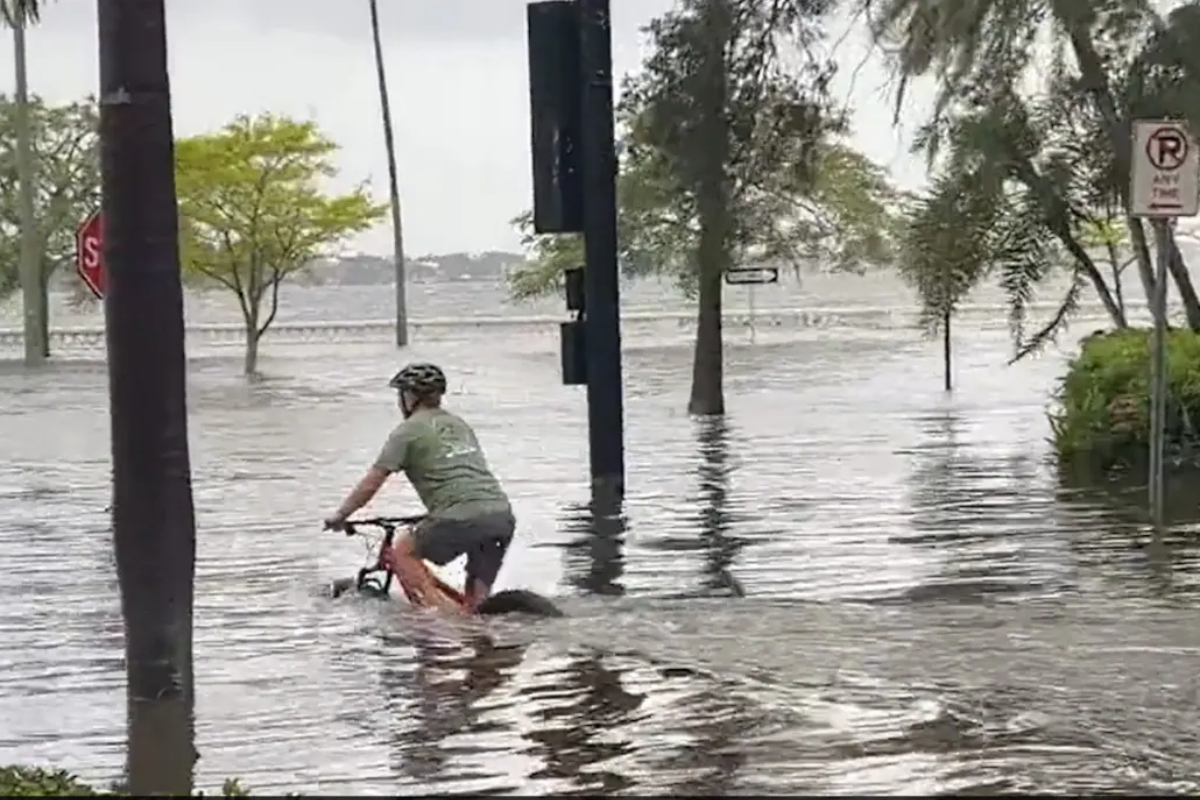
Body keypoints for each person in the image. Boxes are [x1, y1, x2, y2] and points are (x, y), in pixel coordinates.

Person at [324, 362, 515, 611]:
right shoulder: (459, 425)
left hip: (459, 516)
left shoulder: (407, 431)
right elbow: (462, 476)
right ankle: (477, 627)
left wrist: (340, 516)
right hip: (500, 516)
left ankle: (440, 621)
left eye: (401, 394)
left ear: (410, 397)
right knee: (477, 607)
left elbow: (372, 482)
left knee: (402, 551)